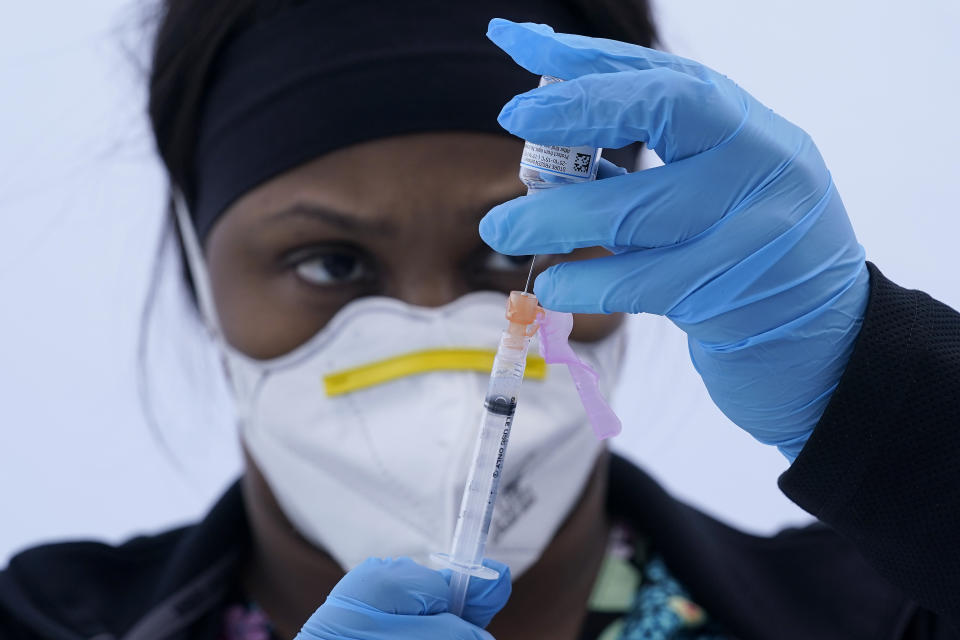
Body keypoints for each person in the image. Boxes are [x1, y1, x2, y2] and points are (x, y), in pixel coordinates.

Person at [1, 1, 958, 639]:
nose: (433, 330)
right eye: (330, 264)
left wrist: (894, 404)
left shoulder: (884, 613)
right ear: (203, 272)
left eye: (510, 257)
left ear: (634, 248)